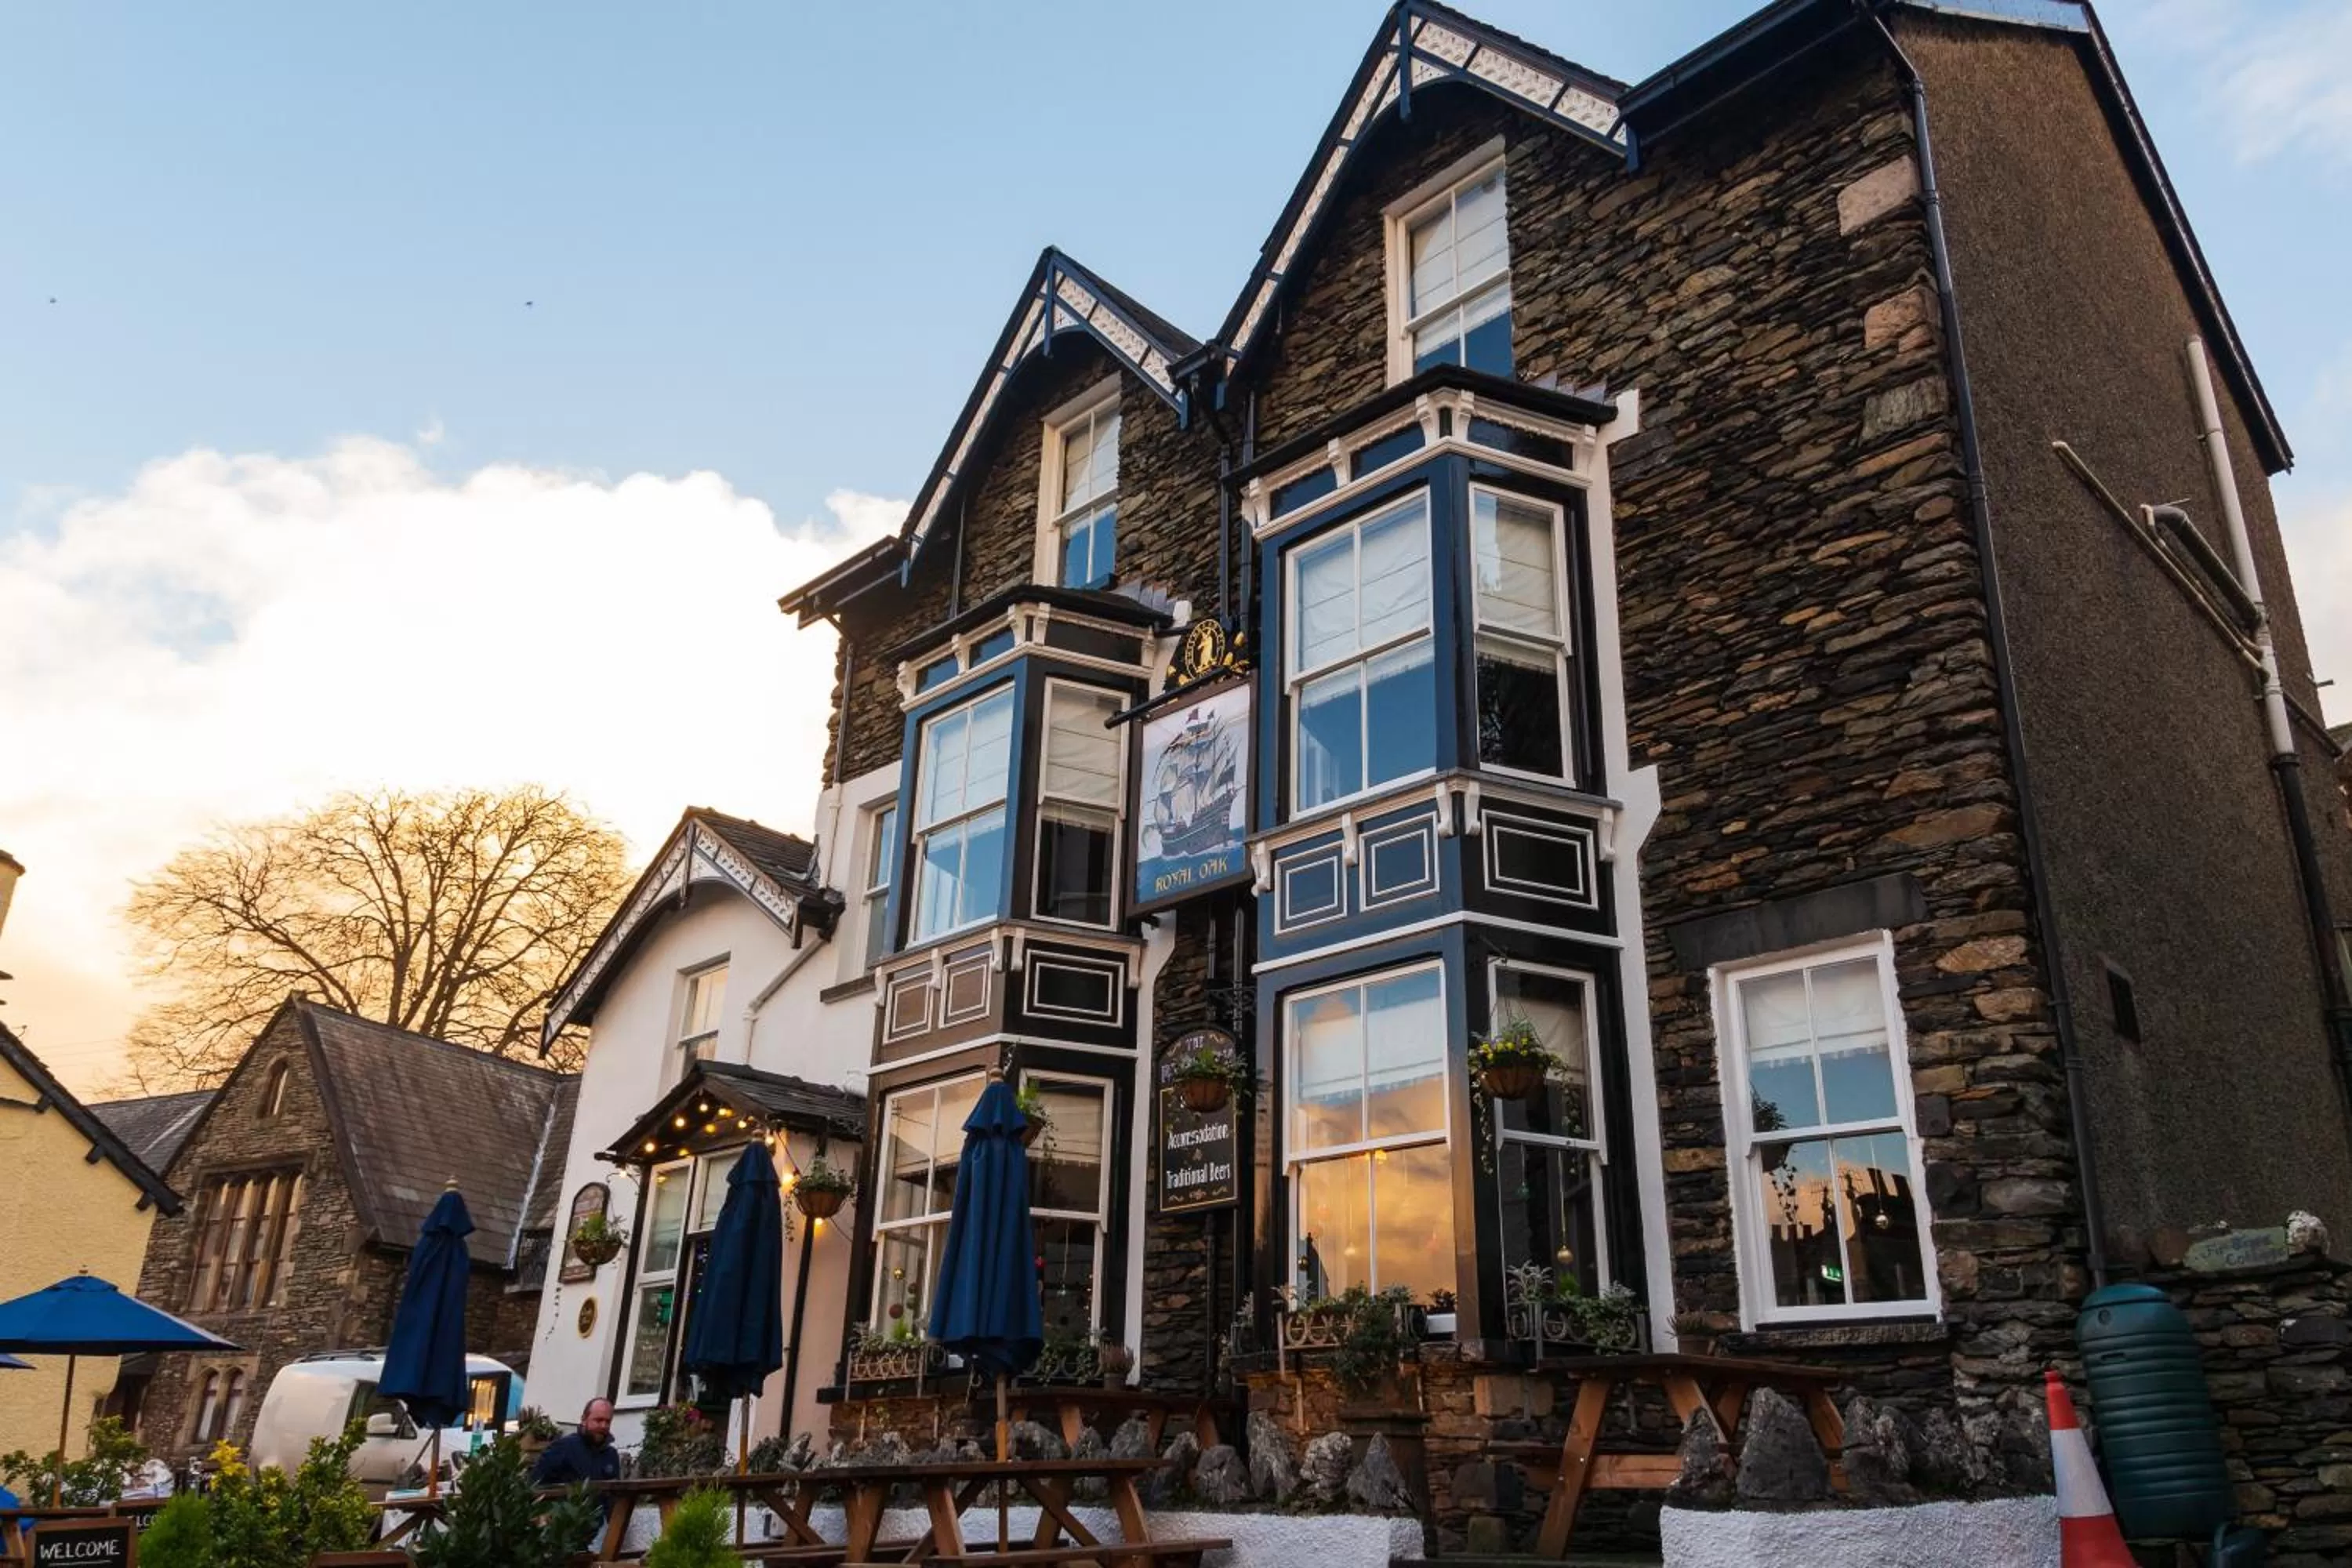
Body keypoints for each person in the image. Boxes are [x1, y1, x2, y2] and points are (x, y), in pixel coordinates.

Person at [531, 1397, 621, 1489]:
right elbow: (536, 1486)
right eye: (599, 1420)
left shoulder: (611, 1456)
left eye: (608, 1422)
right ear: (584, 1420)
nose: (604, 1426)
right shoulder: (562, 1449)